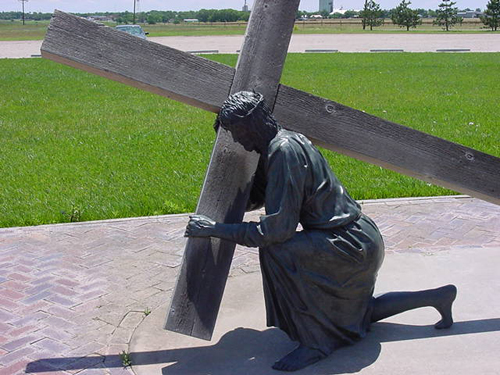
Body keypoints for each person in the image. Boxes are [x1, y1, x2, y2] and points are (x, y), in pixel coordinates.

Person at [185, 91, 457, 372]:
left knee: (279, 251)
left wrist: (217, 230)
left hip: (346, 245)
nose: (238, 140)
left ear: (250, 125)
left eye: (237, 132)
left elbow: (277, 231)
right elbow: (262, 198)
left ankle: (317, 343)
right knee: (354, 317)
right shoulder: (285, 142)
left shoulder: (283, 151)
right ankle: (437, 297)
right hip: (360, 236)